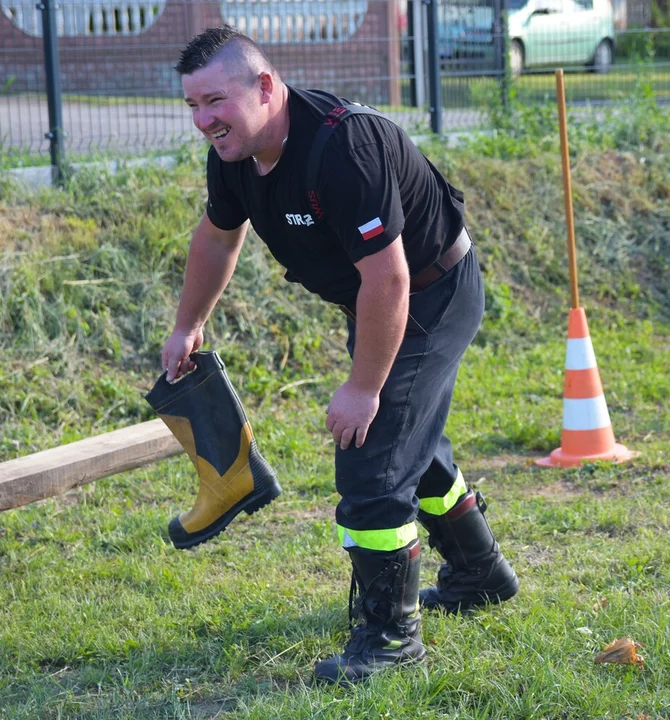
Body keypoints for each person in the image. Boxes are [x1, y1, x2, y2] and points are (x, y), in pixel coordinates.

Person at [162, 25, 519, 685]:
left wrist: (362, 388)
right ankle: (478, 573)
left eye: (214, 100)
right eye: (192, 105)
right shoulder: (233, 155)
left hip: (431, 292)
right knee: (405, 443)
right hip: (380, 300)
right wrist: (189, 324)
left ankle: (390, 640)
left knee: (372, 463)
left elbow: (391, 280)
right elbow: (216, 239)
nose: (204, 119)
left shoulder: (344, 147)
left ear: (265, 87)